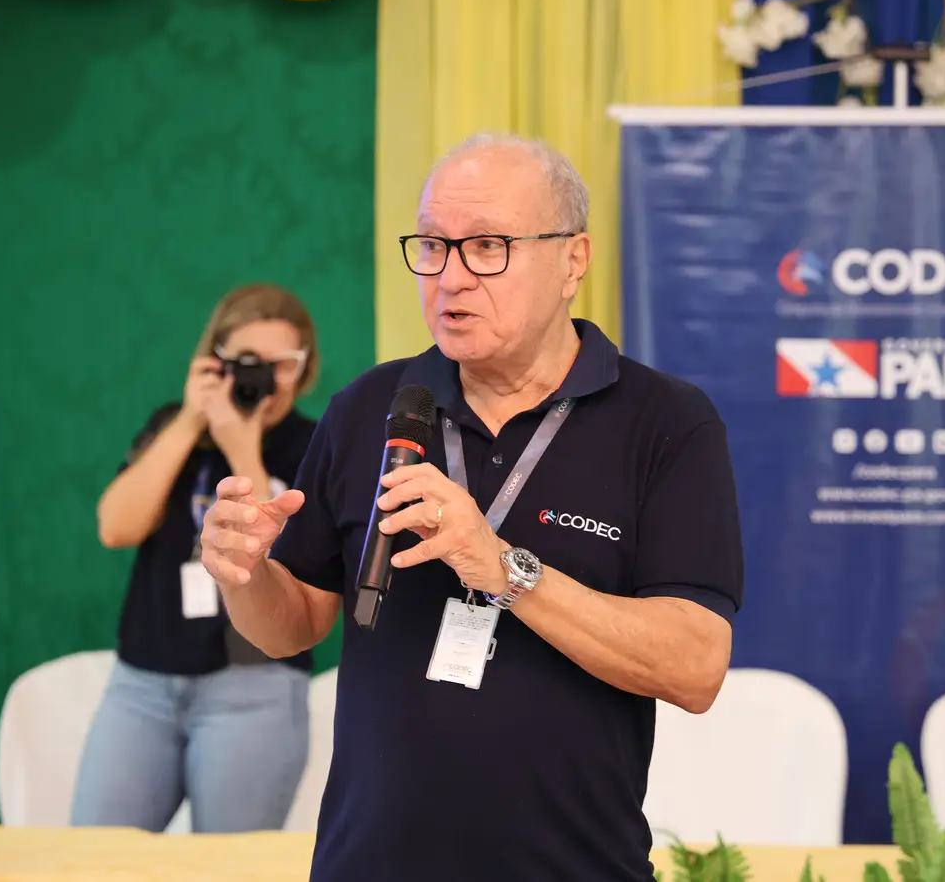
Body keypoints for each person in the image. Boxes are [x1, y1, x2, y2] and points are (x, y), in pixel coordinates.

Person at [200, 134, 744, 880]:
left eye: (488, 246)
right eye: (433, 245)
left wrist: (504, 569)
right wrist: (245, 574)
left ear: (573, 260)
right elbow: (291, 625)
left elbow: (695, 667)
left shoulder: (666, 421)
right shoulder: (371, 406)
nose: (451, 277)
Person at [71, 283, 320, 834]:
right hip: (143, 682)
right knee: (94, 859)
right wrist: (190, 420)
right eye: (249, 362)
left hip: (255, 687)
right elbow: (116, 527)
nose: (264, 379)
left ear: (304, 370)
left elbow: (276, 553)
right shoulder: (173, 426)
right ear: (216, 361)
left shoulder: (313, 444)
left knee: (227, 868)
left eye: (282, 364)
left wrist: (241, 445)